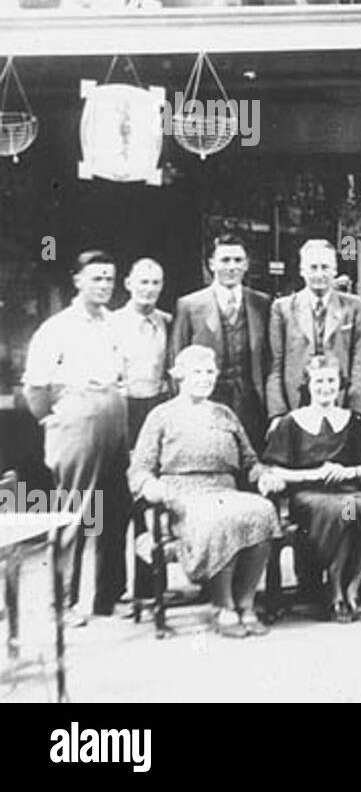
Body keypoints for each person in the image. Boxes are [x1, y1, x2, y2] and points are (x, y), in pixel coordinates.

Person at [128, 346, 279, 638]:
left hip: (225, 489)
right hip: (181, 497)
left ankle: (245, 604)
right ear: (180, 376)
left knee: (264, 511)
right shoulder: (162, 415)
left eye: (210, 372)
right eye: (197, 371)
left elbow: (249, 461)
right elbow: (140, 468)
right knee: (219, 518)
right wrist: (150, 486)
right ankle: (222, 605)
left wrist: (263, 476)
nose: (205, 378)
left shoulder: (225, 414)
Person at [22, 250, 128, 624]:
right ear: (78, 280)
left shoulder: (114, 323)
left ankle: (106, 597)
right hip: (77, 420)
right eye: (96, 278)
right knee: (77, 512)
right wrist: (60, 419)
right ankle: (61, 603)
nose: (104, 286)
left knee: (114, 508)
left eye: (109, 279)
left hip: (115, 418)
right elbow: (35, 389)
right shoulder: (58, 328)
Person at [258, 355, 361, 623]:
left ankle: (353, 590)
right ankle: (336, 592)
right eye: (319, 381)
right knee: (346, 514)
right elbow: (272, 469)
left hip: (346, 492)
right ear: (308, 384)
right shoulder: (292, 422)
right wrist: (313, 474)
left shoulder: (350, 420)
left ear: (340, 385)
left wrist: (348, 471)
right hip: (310, 496)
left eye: (331, 381)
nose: (325, 387)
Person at [171, 233, 272, 451]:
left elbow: (268, 359)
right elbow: (176, 365)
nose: (232, 267)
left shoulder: (261, 303)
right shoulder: (190, 306)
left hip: (251, 404)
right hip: (207, 401)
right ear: (212, 264)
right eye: (225, 260)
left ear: (246, 264)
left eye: (238, 260)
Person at [111, 257, 173, 607]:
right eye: (143, 282)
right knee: (117, 499)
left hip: (155, 407)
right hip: (123, 410)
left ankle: (149, 586)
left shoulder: (165, 321)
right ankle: (111, 589)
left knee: (150, 495)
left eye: (156, 283)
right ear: (129, 283)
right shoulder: (114, 323)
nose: (149, 289)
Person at [267, 239, 361, 422]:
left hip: (340, 402)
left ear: (335, 270)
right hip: (296, 404)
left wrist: (357, 409)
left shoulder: (354, 305)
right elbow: (275, 365)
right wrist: (278, 414)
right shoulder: (283, 308)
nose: (319, 274)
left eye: (325, 267)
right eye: (313, 267)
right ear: (302, 270)